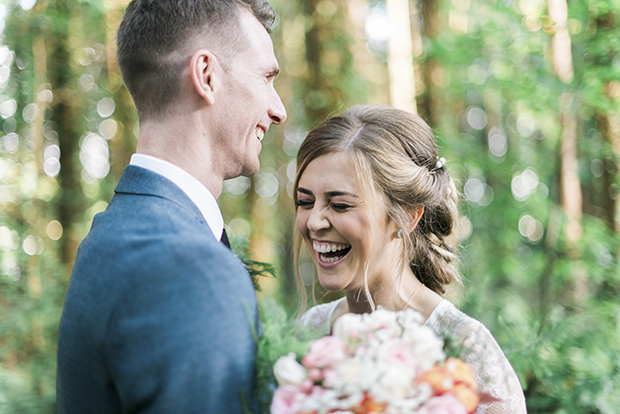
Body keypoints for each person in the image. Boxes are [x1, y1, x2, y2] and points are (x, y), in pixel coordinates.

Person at [56, 0, 286, 412]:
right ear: (206, 75)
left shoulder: (113, 230)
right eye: (266, 77)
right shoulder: (189, 266)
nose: (279, 109)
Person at [294, 105, 527, 414]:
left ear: (406, 215)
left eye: (339, 205)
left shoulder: (465, 348)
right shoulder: (310, 331)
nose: (313, 222)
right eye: (304, 202)